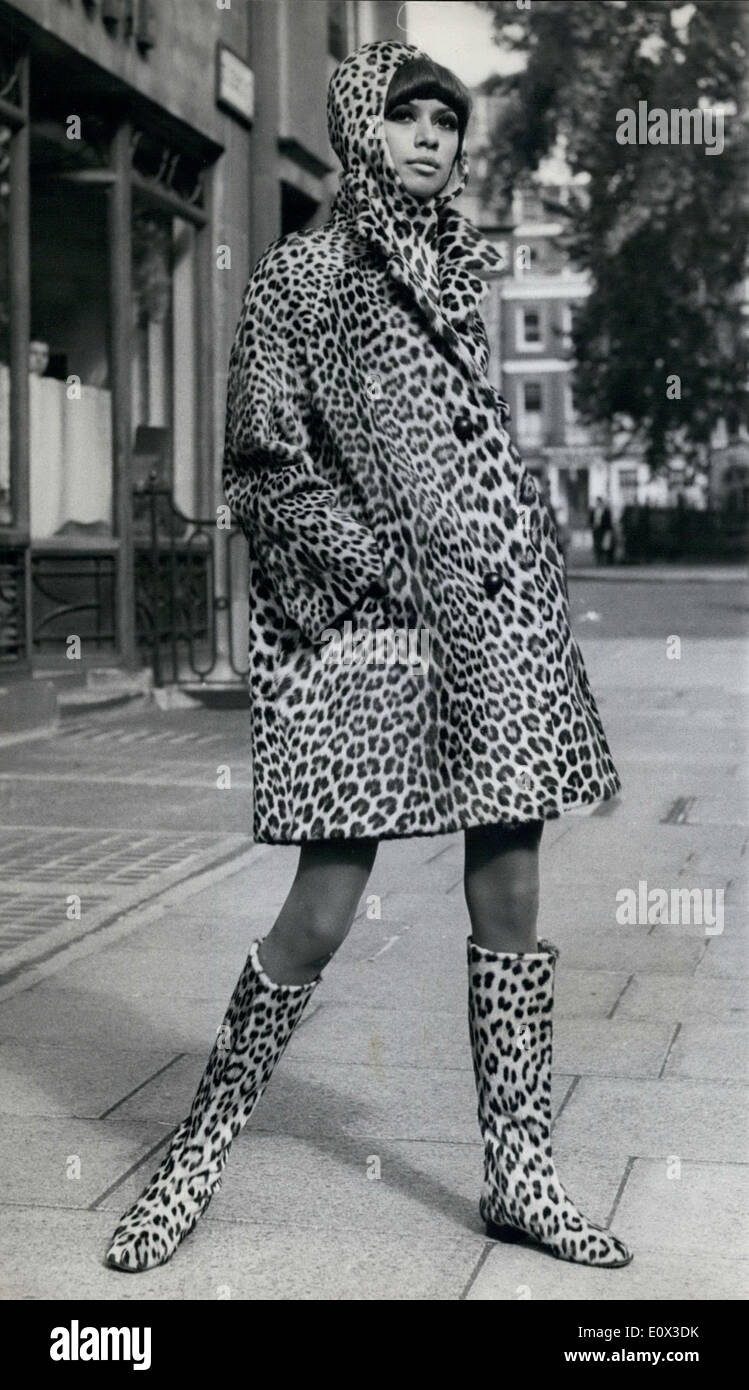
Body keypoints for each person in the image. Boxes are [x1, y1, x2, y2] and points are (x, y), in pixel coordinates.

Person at [105, 40, 632, 1274]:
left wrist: (493, 569)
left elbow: (469, 453)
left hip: (493, 624)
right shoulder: (300, 276)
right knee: (322, 908)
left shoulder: (459, 270)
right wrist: (383, 566)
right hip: (368, 631)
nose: (432, 138)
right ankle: (196, 1150)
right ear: (356, 128)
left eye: (448, 121)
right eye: (407, 118)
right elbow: (261, 468)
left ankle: (520, 1176)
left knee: (509, 887)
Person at [590, 496, 614, 565]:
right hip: (596, 530)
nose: (598, 503)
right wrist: (592, 526)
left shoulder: (606, 511)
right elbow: (591, 520)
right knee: (596, 545)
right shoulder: (593, 511)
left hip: (603, 530)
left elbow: (608, 521)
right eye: (597, 502)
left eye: (599, 502)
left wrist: (608, 530)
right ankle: (598, 560)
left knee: (604, 546)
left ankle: (604, 560)